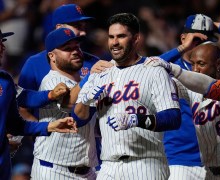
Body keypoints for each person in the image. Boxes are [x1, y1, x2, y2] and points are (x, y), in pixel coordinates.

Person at [72, 13, 181, 180]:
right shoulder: (100, 73)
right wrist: (84, 101)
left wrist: (136, 119)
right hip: (108, 165)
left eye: (121, 36)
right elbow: (78, 120)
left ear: (136, 38)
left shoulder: (154, 70)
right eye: (111, 37)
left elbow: (173, 118)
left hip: (146, 164)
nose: (114, 42)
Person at [145, 34, 220, 179]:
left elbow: (214, 88)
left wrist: (174, 69)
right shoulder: (191, 88)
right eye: (192, 64)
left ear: (218, 64)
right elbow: (151, 73)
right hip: (210, 172)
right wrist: (172, 56)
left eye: (201, 64)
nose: (195, 69)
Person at [0, 29, 77, 180]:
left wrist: (49, 125)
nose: (3, 47)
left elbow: (17, 123)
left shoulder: (5, 81)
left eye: (2, 42)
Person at [30, 27, 98, 180]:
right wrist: (91, 77)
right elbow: (70, 103)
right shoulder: (51, 81)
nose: (75, 51)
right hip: (54, 171)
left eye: (77, 47)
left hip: (87, 172)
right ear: (52, 56)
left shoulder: (83, 82)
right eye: (67, 49)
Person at [18, 3, 100, 121]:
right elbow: (22, 108)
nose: (83, 32)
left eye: (84, 26)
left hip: (89, 137)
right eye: (78, 26)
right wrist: (43, 131)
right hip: (53, 135)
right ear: (59, 27)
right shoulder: (34, 63)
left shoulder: (94, 62)